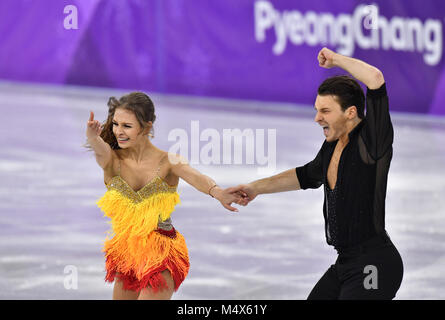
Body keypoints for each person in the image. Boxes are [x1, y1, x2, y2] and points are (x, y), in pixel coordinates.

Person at [232, 47, 404, 300]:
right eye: (316, 109)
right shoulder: (333, 144)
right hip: (346, 263)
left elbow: (376, 79)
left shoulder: (372, 142)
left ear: (351, 112)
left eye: (325, 111)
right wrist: (255, 188)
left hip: (374, 264)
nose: (316, 118)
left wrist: (335, 60)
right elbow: (306, 175)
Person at [85, 92, 243, 300]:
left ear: (147, 127)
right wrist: (92, 137)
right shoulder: (112, 161)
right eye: (116, 124)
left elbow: (196, 177)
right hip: (127, 254)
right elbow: (100, 150)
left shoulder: (168, 161)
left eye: (127, 126)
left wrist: (218, 192)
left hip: (162, 254)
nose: (118, 132)